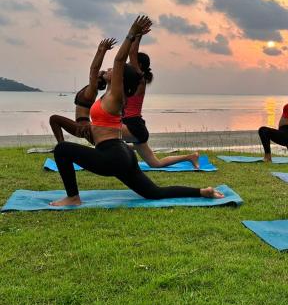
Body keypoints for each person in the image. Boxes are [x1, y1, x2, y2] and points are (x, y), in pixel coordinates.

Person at [50, 16, 223, 207]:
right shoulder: (110, 95)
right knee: (154, 193)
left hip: (112, 156)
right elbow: (95, 70)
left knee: (62, 149)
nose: (108, 69)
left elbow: (119, 59)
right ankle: (202, 191)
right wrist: (100, 51)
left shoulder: (116, 96)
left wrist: (131, 34)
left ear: (119, 78)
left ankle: (73, 197)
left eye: (114, 70)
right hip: (122, 154)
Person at [121, 22, 200, 169]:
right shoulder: (132, 80)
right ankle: (190, 156)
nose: (129, 63)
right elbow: (130, 56)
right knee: (155, 163)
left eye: (133, 62)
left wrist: (137, 36)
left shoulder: (140, 78)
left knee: (102, 131)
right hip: (134, 125)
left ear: (140, 66)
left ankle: (124, 150)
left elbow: (131, 54)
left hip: (133, 125)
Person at [49, 38, 116, 145]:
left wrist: (102, 51)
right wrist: (99, 50)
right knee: (104, 144)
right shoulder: (89, 88)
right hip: (83, 126)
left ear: (98, 79)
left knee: (54, 119)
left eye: (101, 72)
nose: (99, 71)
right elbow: (93, 70)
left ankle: (61, 147)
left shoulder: (92, 90)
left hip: (83, 127)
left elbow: (93, 68)